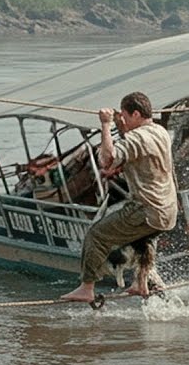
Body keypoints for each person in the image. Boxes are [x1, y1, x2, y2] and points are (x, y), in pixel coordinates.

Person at [61, 91, 178, 302]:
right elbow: (135, 144)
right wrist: (122, 125)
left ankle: (87, 287)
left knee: (96, 235)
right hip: (167, 211)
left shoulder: (138, 137)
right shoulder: (160, 132)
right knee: (142, 238)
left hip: (146, 208)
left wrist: (105, 125)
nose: (121, 119)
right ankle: (141, 283)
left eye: (124, 115)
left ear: (135, 114)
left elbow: (107, 160)